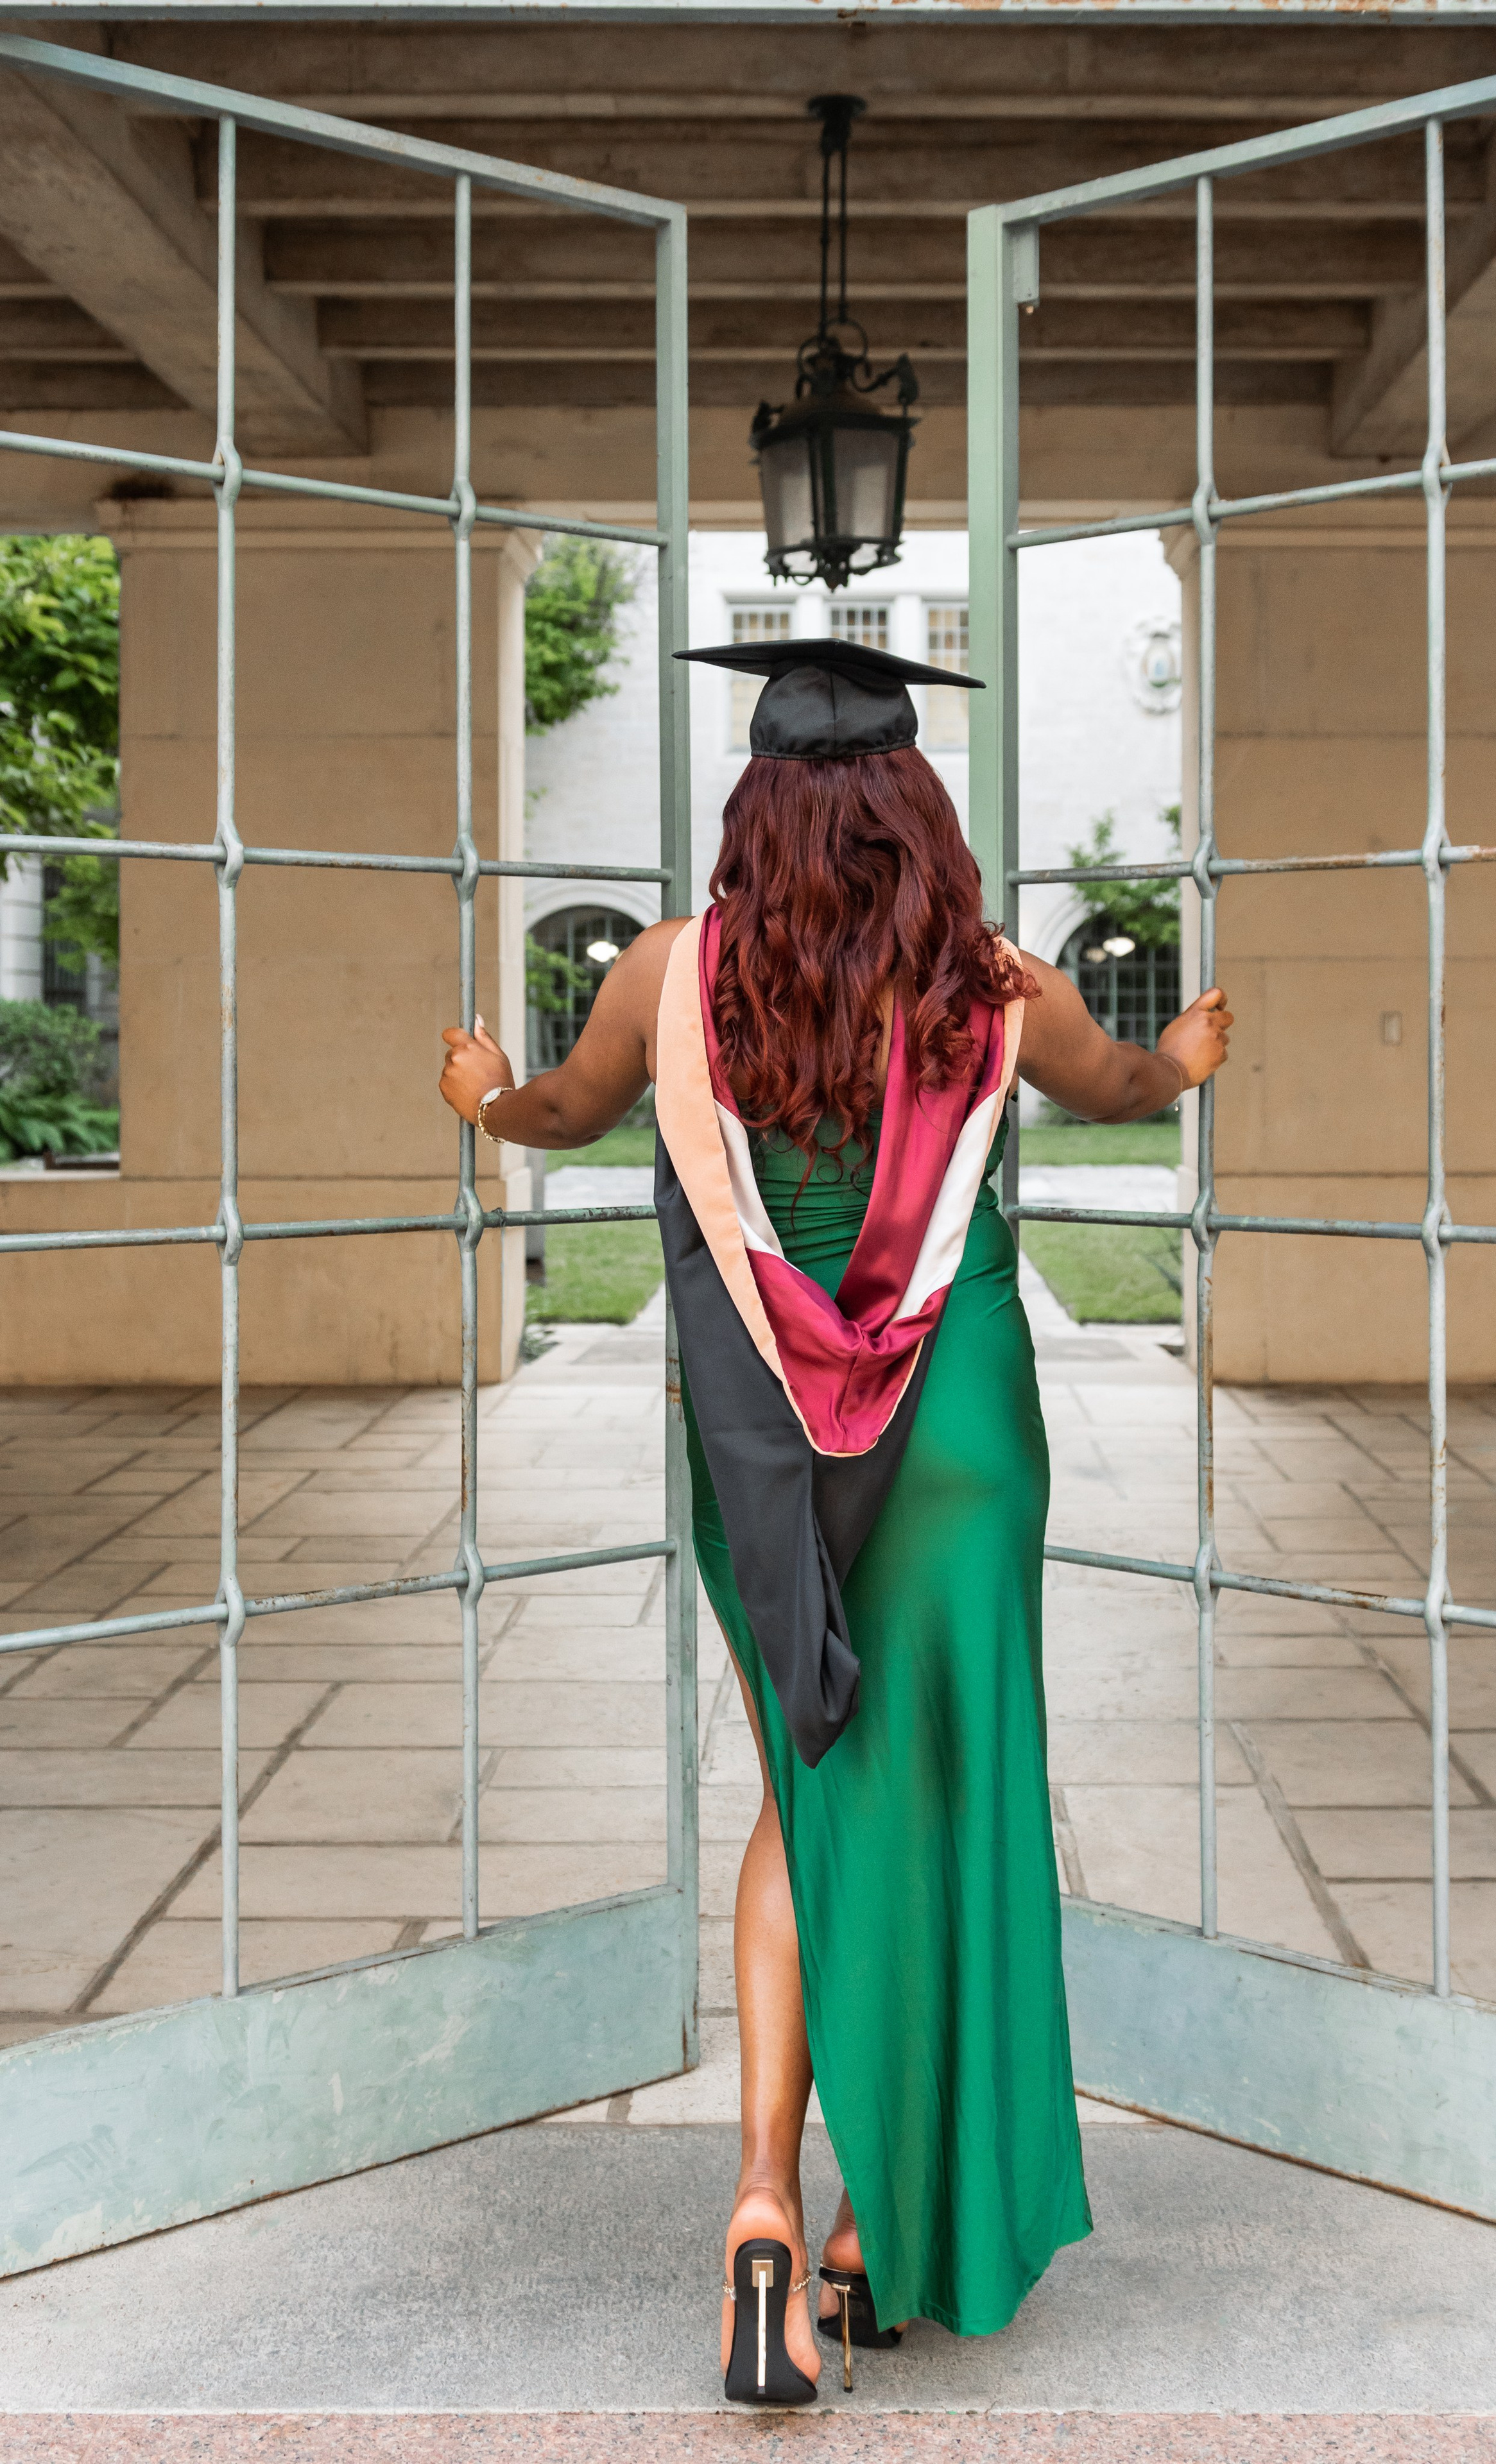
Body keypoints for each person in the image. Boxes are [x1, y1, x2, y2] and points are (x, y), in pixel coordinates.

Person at [439, 637, 1233, 2404]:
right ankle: (893, 2212)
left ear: (758, 810)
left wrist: (481, 1086)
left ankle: (765, 2216)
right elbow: (1114, 1092)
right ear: (916, 812)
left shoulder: (670, 974)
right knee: (945, 1785)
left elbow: (555, 1121)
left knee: (814, 1790)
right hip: (962, 1431)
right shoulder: (991, 983)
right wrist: (1179, 1059)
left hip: (767, 1451)